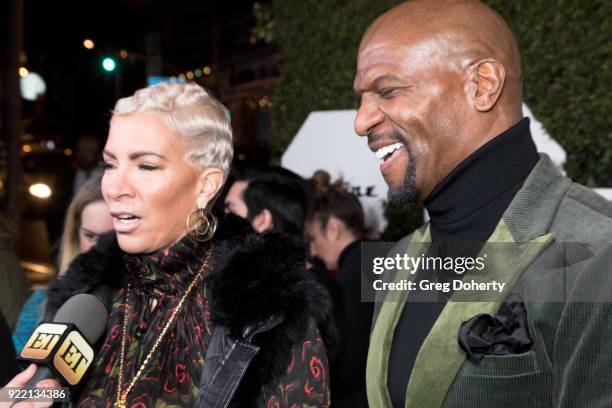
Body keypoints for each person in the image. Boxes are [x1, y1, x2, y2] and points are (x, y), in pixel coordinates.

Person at [3, 82, 334, 407]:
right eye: (110, 164)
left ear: (206, 186)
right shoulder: (83, 294)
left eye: (146, 165)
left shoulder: (266, 313)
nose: (115, 187)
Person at [355, 0, 612, 407]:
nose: (361, 121)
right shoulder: (399, 257)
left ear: (483, 84)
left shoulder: (600, 252)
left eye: (387, 91)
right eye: (362, 98)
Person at [12, 172, 113, 352]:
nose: (99, 248)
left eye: (110, 238)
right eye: (90, 236)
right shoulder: (39, 304)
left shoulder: (141, 310)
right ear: (75, 234)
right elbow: (15, 372)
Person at [305, 174, 372, 408]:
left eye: (312, 238)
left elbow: (349, 366)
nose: (312, 250)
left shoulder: (351, 277)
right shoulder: (383, 256)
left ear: (333, 228)